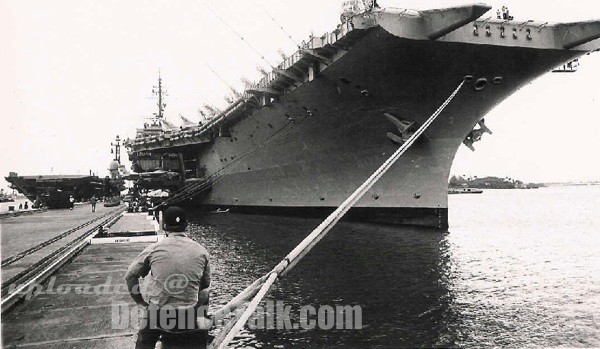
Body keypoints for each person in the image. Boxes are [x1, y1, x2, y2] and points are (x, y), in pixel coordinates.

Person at [125, 206, 211, 349]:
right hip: (187, 314)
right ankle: (200, 332)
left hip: (159, 313)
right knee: (204, 294)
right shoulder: (201, 251)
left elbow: (130, 277)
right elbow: (205, 284)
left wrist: (141, 303)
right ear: (186, 225)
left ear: (164, 226)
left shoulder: (154, 249)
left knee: (144, 341)